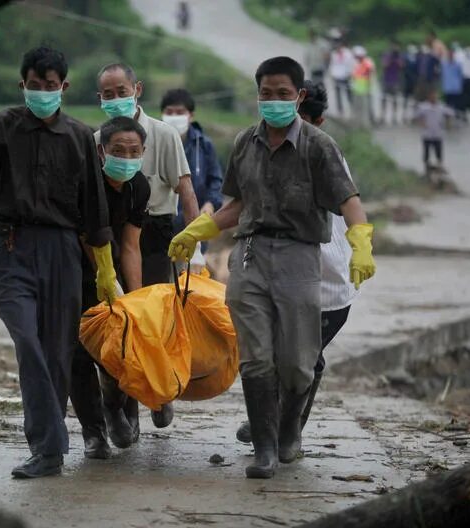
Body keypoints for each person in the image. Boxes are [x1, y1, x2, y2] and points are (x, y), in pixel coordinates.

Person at [168, 57, 376, 479]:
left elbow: (349, 201)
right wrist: (197, 230)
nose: (274, 101)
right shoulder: (246, 142)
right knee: (256, 358)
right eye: (267, 93)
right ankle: (263, 449)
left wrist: (361, 243)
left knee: (298, 363)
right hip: (251, 255)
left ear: (298, 97)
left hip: (301, 257)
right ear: (258, 94)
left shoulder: (319, 146)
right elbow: (236, 205)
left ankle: (288, 434)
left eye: (284, 94)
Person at [0, 46, 113, 479]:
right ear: (22, 85)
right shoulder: (2, 128)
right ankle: (51, 442)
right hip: (10, 249)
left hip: (63, 253)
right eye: (34, 85)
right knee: (27, 341)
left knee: (56, 352)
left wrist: (104, 268)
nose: (42, 92)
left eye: (51, 86)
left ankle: (47, 453)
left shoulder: (81, 137)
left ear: (63, 87)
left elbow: (94, 210)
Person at [234, 80, 359, 447]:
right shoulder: (261, 150)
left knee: (305, 358)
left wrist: (364, 243)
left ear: (315, 121)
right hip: (277, 274)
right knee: (271, 355)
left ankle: (288, 430)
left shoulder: (322, 155)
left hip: (326, 283)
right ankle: (274, 428)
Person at [95, 62, 200, 432]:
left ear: (136, 89)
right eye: (108, 94)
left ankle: (159, 391)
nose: (116, 99)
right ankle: (124, 409)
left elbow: (185, 189)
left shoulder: (165, 134)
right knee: (116, 325)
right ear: (99, 98)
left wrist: (194, 248)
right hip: (108, 235)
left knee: (156, 322)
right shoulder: (98, 140)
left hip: (156, 236)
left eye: (122, 91)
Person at [70, 116, 150, 459]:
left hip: (114, 271)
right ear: (101, 152)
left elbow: (131, 246)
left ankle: (115, 407)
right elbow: (85, 233)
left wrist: (136, 298)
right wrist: (103, 274)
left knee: (119, 350)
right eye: (119, 150)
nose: (127, 157)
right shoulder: (84, 182)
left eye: (134, 151)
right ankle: (93, 433)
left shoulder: (139, 187)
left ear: (143, 151)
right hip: (75, 273)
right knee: (78, 356)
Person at [159, 88, 224, 249]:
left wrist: (210, 203)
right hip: (160, 225)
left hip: (194, 224)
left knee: (192, 270)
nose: (174, 117)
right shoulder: (153, 142)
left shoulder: (204, 145)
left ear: (191, 115)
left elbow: (215, 180)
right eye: (169, 112)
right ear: (162, 114)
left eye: (180, 112)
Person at [415, 89, 455, 170]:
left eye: (436, 96)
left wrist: (448, 124)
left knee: (439, 152)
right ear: (429, 97)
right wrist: (422, 123)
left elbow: (450, 114)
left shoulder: (441, 106)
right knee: (426, 152)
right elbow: (417, 116)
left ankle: (439, 166)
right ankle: (426, 167)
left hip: (438, 133)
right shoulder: (423, 107)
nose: (434, 97)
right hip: (427, 133)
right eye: (432, 96)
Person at [380, 40, 404, 125]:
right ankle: (382, 117)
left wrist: (396, 59)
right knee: (384, 100)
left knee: (395, 100)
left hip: (395, 80)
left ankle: (394, 118)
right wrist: (390, 59)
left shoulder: (399, 55)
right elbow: (384, 65)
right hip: (386, 79)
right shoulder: (386, 55)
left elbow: (401, 66)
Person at [350, 46, 375, 128]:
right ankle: (357, 125)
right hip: (356, 90)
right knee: (357, 109)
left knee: (365, 109)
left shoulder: (367, 62)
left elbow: (370, 74)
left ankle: (366, 126)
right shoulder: (356, 63)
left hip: (365, 90)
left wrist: (370, 87)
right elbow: (353, 76)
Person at [329, 40, 356, 116]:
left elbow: (351, 63)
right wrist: (332, 74)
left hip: (346, 76)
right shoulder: (334, 54)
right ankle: (340, 110)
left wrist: (350, 73)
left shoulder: (347, 53)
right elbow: (332, 64)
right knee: (338, 94)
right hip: (337, 76)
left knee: (348, 93)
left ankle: (352, 108)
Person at [441, 45, 465, 120]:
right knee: (447, 104)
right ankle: (448, 119)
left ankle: (456, 117)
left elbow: (460, 76)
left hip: (455, 87)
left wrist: (460, 86)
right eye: (449, 54)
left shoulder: (458, 65)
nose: (450, 55)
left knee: (456, 104)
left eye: (451, 54)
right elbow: (442, 75)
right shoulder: (444, 64)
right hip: (447, 87)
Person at [402, 44, 420, 119]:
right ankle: (405, 116)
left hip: (414, 82)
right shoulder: (406, 59)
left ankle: (414, 116)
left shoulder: (417, 60)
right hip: (407, 82)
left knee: (415, 100)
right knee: (406, 100)